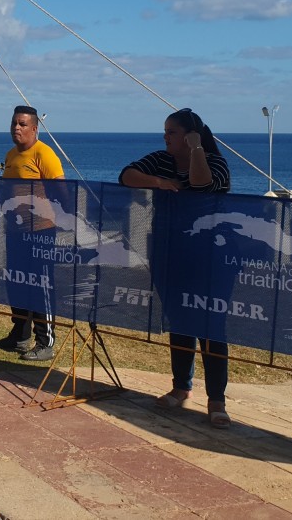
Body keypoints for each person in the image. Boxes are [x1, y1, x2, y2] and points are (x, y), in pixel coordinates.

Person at [119, 107, 232, 428]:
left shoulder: (215, 162)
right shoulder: (160, 159)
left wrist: (196, 149)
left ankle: (217, 399)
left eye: (172, 132)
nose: (165, 137)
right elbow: (126, 175)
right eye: (165, 131)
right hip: (170, 251)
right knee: (179, 319)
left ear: (190, 135)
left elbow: (201, 183)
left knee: (211, 324)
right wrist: (159, 182)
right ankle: (182, 387)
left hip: (211, 255)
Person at [0, 105, 64, 361]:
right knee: (16, 281)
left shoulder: (44, 153)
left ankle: (45, 341)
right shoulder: (10, 155)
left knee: (40, 284)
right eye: (14, 123)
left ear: (35, 128)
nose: (16, 128)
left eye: (22, 124)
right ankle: (20, 333)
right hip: (15, 231)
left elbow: (62, 191)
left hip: (40, 232)